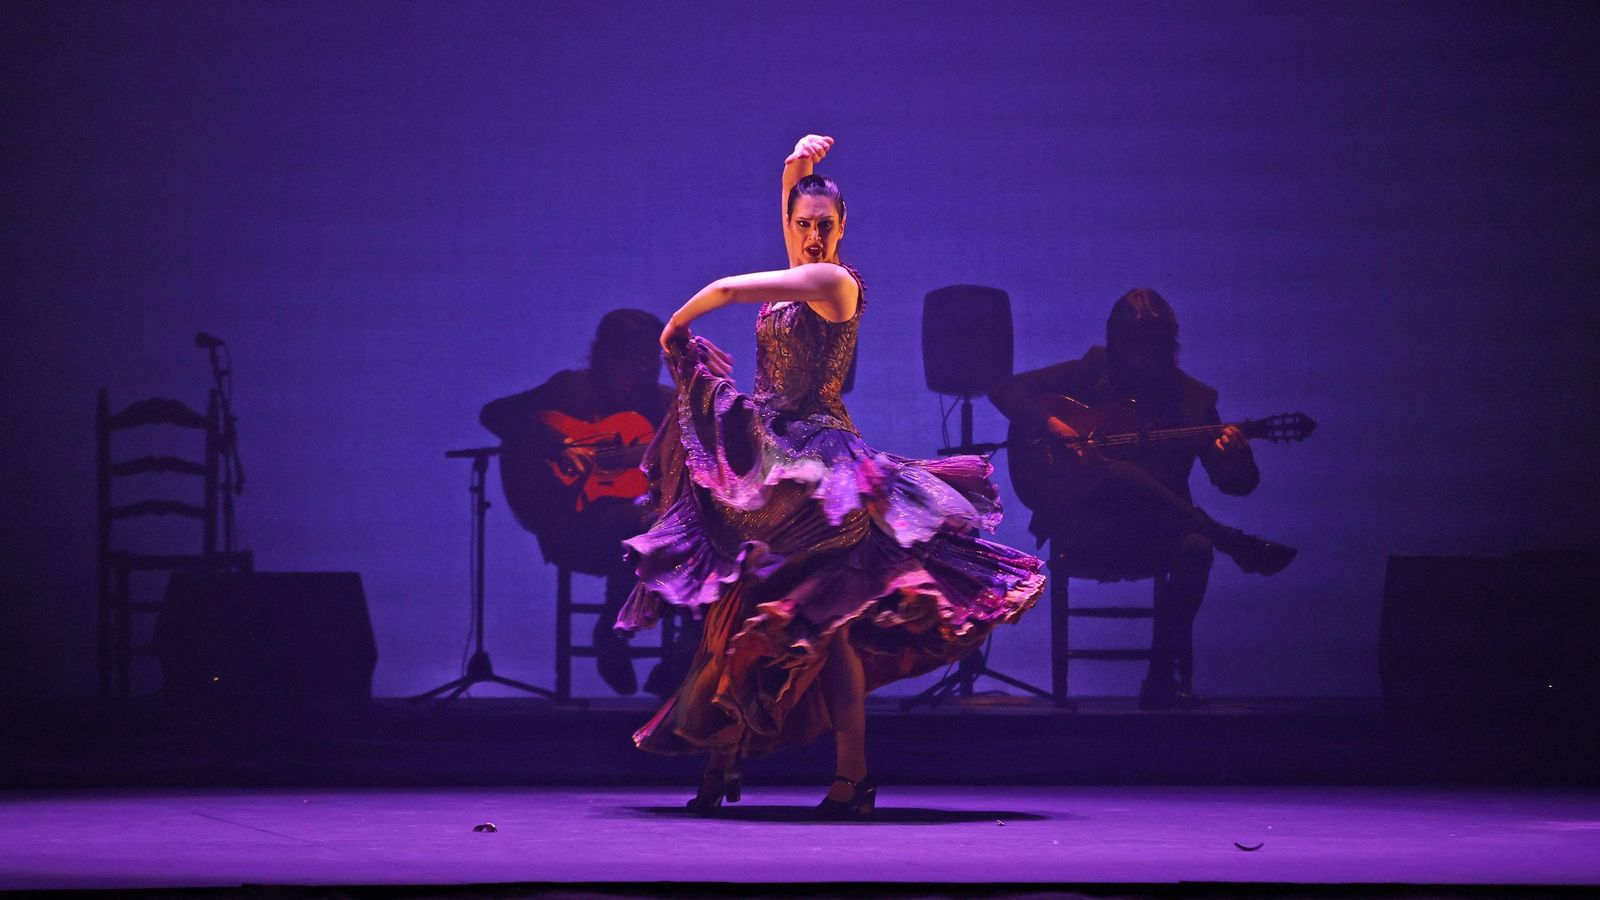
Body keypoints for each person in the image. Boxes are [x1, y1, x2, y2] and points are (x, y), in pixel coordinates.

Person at [615, 135, 1046, 819]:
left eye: (824, 225)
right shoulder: (799, 265)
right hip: (772, 461)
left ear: (843, 228)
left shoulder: (835, 284)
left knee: (821, 621)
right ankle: (737, 762)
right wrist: (794, 169)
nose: (812, 236)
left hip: (822, 472)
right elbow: (786, 228)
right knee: (754, 608)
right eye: (802, 224)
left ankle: (844, 776)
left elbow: (727, 289)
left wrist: (675, 323)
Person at [988, 288, 1296, 711]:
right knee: (1113, 470)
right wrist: (1052, 424)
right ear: (1116, 343)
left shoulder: (1194, 400)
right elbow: (1005, 389)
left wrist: (1238, 459)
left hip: (1157, 531)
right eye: (1132, 346)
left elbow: (1235, 484)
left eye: (1151, 347)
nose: (1140, 358)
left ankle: (1160, 681)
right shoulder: (1090, 372)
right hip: (1086, 525)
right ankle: (1233, 541)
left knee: (1196, 548)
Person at [479, 308, 681, 697]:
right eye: (627, 358)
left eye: (645, 360)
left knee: (704, 536)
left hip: (649, 533)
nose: (637, 370)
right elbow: (496, 414)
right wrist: (559, 443)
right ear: (604, 355)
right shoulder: (570, 390)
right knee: (643, 527)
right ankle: (613, 632)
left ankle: (682, 661)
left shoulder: (666, 405)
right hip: (572, 528)